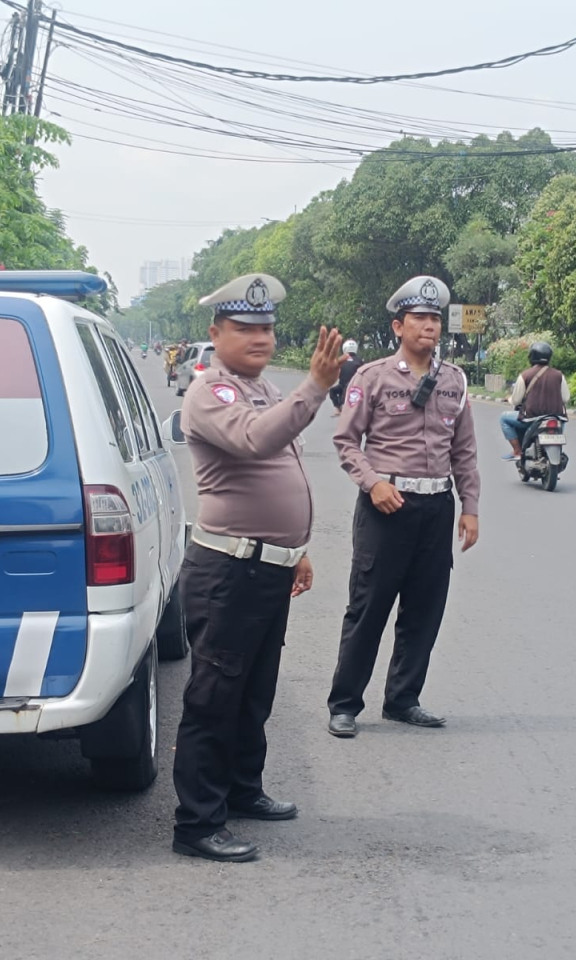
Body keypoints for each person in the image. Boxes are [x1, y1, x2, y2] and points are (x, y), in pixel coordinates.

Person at [171, 272, 343, 863]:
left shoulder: (264, 387)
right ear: (216, 332)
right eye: (245, 328)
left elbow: (278, 477)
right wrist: (316, 386)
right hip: (228, 571)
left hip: (267, 566)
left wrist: (295, 548)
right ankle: (196, 823)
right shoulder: (211, 392)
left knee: (253, 693)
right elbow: (256, 444)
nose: (261, 338)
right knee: (214, 698)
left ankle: (243, 790)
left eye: (267, 327)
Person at [326, 275, 481, 738]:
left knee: (425, 609)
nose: (429, 327)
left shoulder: (454, 380)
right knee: (368, 607)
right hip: (385, 508)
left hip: (436, 507)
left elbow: (465, 451)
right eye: (419, 318)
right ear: (398, 326)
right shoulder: (371, 377)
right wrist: (372, 484)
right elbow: (346, 441)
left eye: (434, 319)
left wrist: (469, 507)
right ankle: (345, 704)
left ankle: (403, 698)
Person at [500, 341, 570, 461]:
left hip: (532, 418)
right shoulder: (559, 375)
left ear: (532, 357)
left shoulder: (525, 375)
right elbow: (565, 398)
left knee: (504, 418)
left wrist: (509, 399)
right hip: (557, 418)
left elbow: (516, 400)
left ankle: (517, 451)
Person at [329, 339, 363, 416]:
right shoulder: (359, 360)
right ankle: (338, 408)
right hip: (343, 385)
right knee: (332, 391)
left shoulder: (342, 359)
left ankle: (342, 407)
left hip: (353, 386)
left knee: (342, 393)